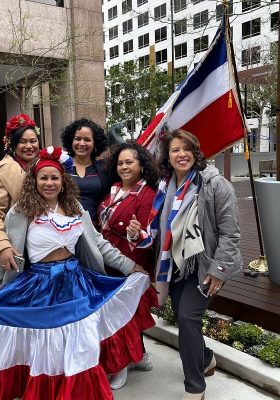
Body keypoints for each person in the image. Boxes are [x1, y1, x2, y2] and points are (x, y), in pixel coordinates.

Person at [0, 146, 156, 400]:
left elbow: (99, 243)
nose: (49, 183)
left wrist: (129, 266)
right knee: (46, 348)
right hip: (38, 287)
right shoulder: (20, 212)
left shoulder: (75, 208)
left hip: (76, 283)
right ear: (34, 181)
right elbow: (3, 256)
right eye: (43, 177)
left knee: (79, 346)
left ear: (63, 180)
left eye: (54, 177)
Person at [134, 129, 242, 400]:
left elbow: (230, 233)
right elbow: (159, 229)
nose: (181, 154)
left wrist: (219, 270)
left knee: (187, 316)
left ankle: (195, 388)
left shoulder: (215, 185)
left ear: (196, 153)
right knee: (184, 318)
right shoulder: (163, 185)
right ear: (167, 157)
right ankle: (205, 358)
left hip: (205, 266)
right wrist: (139, 234)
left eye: (187, 149)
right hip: (176, 266)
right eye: (175, 150)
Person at [98, 142, 159, 390]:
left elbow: (148, 235)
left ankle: (121, 365)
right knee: (117, 316)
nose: (124, 167)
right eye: (120, 162)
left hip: (131, 266)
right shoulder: (113, 189)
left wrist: (136, 234)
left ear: (141, 165)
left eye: (129, 162)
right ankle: (139, 358)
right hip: (107, 263)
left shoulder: (148, 195)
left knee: (123, 319)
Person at [0, 113, 40, 271]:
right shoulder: (3, 170)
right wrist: (2, 245)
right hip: (21, 244)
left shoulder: (47, 165)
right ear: (12, 145)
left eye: (33, 141)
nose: (29, 146)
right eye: (22, 142)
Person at [60, 118, 111, 226]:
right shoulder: (60, 167)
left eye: (87, 140)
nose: (81, 143)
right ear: (71, 140)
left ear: (95, 143)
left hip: (95, 229)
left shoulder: (105, 168)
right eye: (77, 139)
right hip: (65, 228)